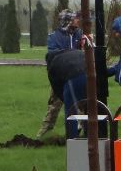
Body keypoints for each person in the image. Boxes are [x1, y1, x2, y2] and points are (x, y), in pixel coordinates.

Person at [35, 9, 85, 138]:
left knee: (83, 104)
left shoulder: (79, 35)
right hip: (61, 77)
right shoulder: (54, 37)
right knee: (54, 105)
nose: (77, 21)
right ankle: (43, 133)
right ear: (68, 21)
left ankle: (83, 128)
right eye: (75, 18)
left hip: (77, 75)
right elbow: (53, 56)